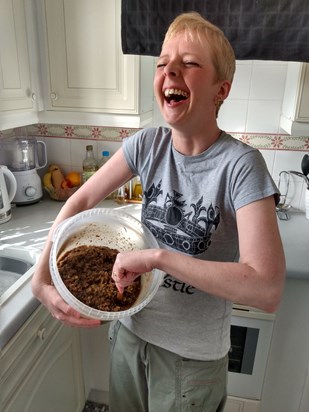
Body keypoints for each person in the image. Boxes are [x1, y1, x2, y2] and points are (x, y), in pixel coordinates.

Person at [32, 11, 285, 412]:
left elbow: (266, 288)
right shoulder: (148, 145)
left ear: (222, 89)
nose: (170, 71)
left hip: (191, 359)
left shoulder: (241, 166)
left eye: (189, 63)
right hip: (129, 335)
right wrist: (40, 279)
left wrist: (157, 258)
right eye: (162, 63)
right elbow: (79, 203)